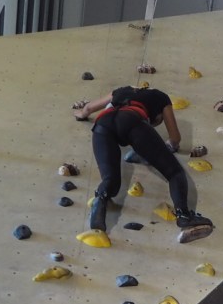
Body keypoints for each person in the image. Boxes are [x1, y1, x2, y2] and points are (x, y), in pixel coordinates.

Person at [73, 86, 212, 242]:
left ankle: (101, 199)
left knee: (110, 180)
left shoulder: (121, 91)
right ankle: (184, 216)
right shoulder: (161, 97)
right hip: (132, 120)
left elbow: (88, 109)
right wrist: (169, 147)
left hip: (103, 124)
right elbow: (175, 138)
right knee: (174, 173)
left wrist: (80, 115)